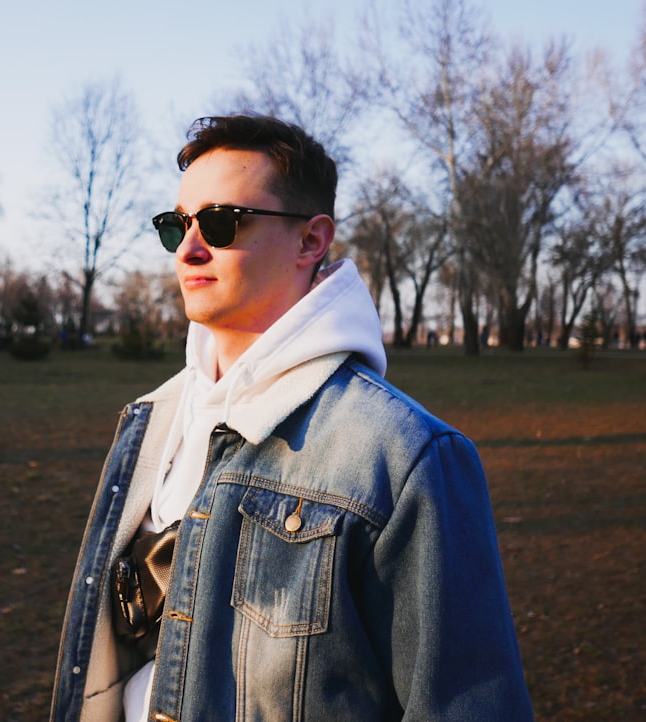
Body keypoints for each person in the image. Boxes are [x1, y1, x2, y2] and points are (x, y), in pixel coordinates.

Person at [51, 115, 533, 721]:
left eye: (224, 223)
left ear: (311, 241)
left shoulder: (404, 453)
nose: (190, 248)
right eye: (177, 225)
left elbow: (467, 706)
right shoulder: (153, 422)